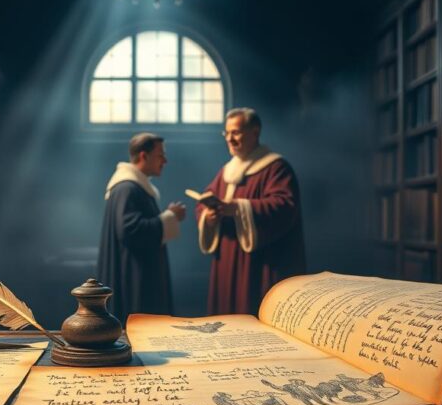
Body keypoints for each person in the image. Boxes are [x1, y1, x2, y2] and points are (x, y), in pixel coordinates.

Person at [195, 107, 306, 315]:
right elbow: (204, 202)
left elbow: (284, 207)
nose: (230, 139)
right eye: (226, 133)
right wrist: (208, 216)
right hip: (227, 259)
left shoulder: (276, 168)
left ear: (255, 133)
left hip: (260, 263)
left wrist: (237, 207)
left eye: (236, 132)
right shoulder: (227, 170)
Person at [98, 133, 186, 322]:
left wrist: (168, 218)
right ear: (144, 156)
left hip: (135, 271)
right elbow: (130, 230)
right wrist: (170, 216)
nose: (165, 160)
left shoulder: (134, 187)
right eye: (160, 155)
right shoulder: (127, 188)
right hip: (134, 277)